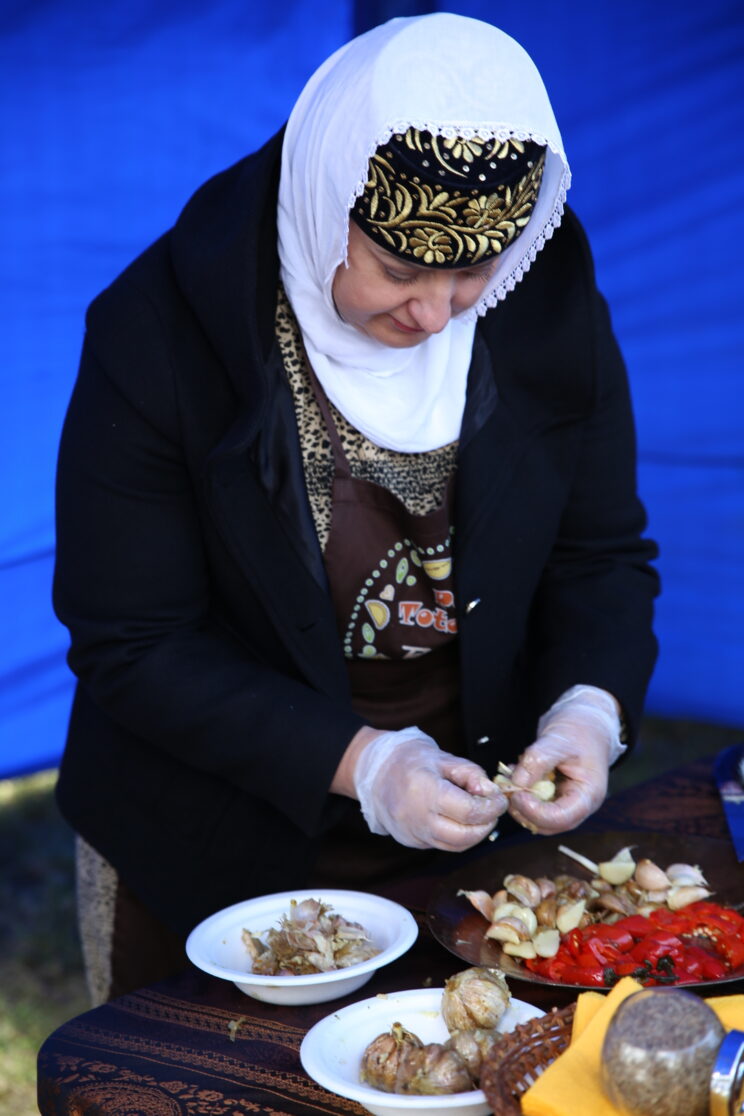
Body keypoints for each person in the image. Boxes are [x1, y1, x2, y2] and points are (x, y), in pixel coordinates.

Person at [53, 12, 659, 1004]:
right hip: (212, 848)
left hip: (469, 843)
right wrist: (367, 767)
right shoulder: (160, 334)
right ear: (324, 199)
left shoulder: (544, 302)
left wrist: (588, 712)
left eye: (472, 272)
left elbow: (600, 555)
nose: (434, 313)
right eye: (400, 269)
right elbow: (134, 642)